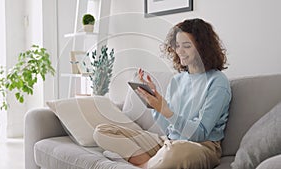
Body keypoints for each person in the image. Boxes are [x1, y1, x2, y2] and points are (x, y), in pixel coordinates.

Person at [93, 18, 231, 169]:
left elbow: (200, 134)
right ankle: (151, 163)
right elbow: (168, 129)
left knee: (177, 151)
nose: (180, 51)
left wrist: (166, 111)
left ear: (202, 48)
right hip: (168, 142)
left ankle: (149, 163)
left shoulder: (217, 82)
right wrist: (154, 103)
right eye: (177, 46)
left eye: (186, 46)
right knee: (102, 131)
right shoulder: (177, 80)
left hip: (200, 147)